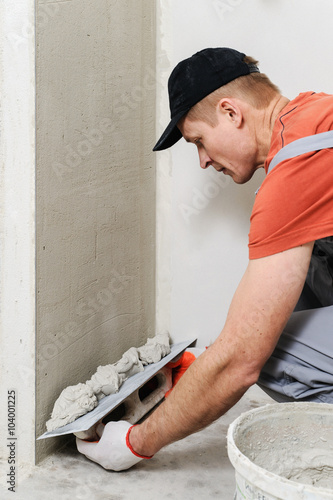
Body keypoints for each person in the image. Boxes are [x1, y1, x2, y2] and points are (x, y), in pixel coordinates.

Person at [76, 47, 333, 471]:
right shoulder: (315, 117)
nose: (203, 160)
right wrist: (201, 375)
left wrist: (136, 442)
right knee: (306, 265)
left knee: (266, 352)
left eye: (198, 140)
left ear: (231, 113)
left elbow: (239, 363)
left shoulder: (298, 164)